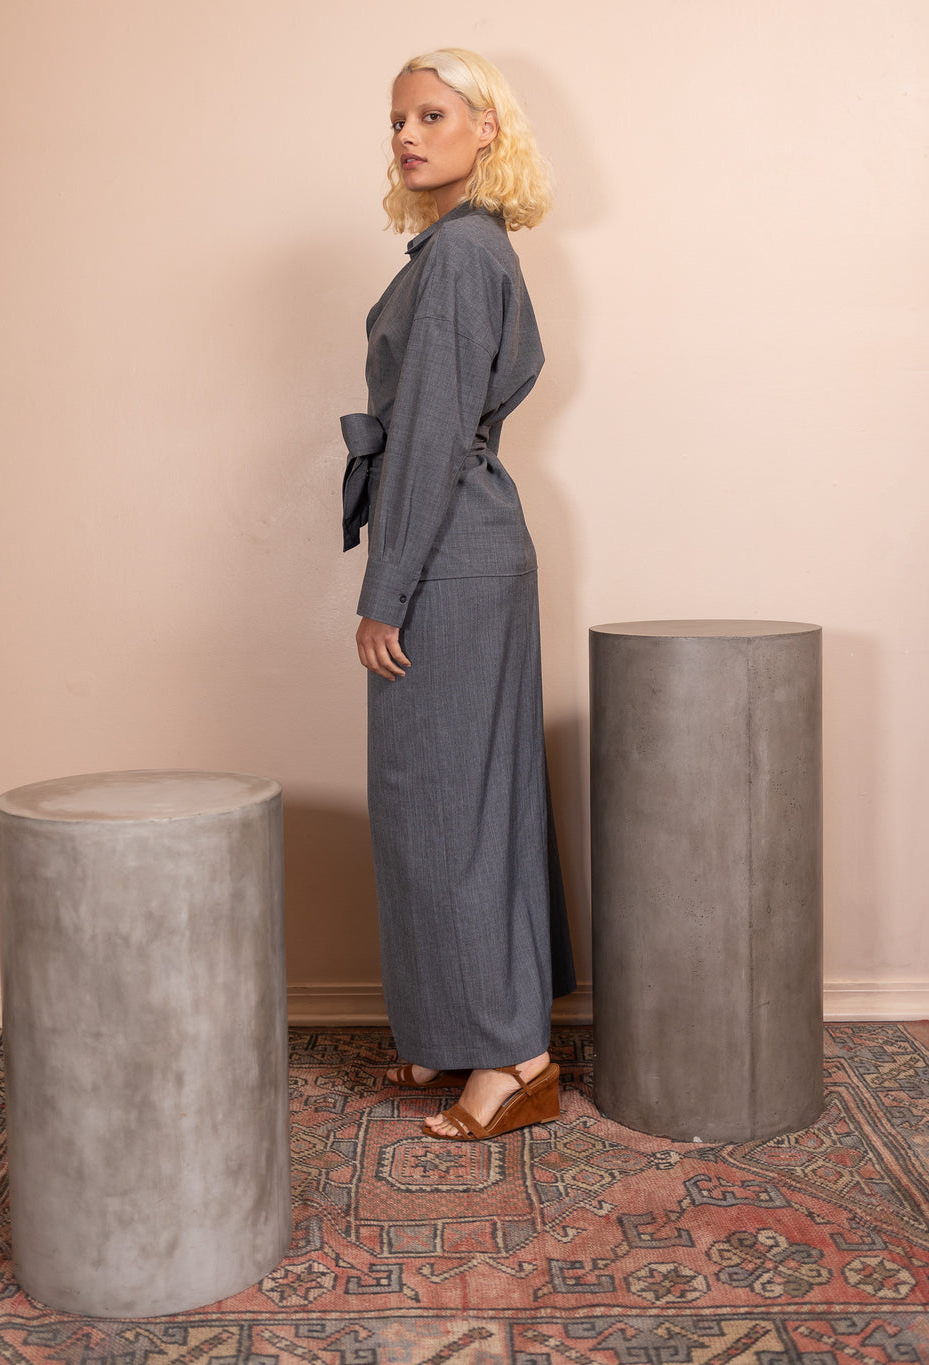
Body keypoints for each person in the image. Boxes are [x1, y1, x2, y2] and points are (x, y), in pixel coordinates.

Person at [340, 48, 575, 1141]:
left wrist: (385, 589)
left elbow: (432, 434)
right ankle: (460, 1022)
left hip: (450, 559)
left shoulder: (462, 253)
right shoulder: (457, 248)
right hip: (465, 549)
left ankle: (514, 1056)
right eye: (399, 118)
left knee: (452, 805)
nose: (406, 134)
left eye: (432, 115)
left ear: (487, 129)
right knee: (443, 800)